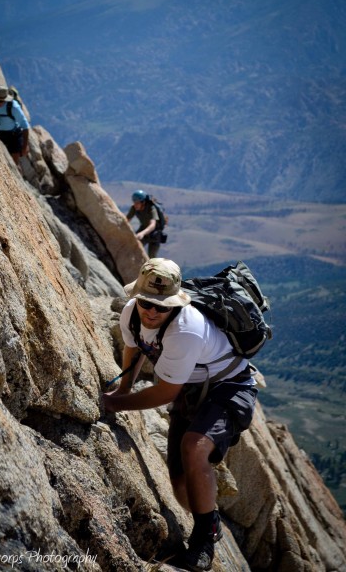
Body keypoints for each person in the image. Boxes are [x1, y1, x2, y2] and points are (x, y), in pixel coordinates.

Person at [103, 258, 258, 571]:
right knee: (180, 487)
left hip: (230, 386)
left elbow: (165, 393)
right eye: (147, 303)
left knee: (193, 446)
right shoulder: (132, 312)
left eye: (161, 307)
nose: (152, 312)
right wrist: (123, 390)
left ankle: (204, 536)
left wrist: (115, 404)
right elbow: (132, 349)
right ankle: (208, 509)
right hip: (192, 389)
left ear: (174, 304)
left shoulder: (185, 330)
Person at [0, 85, 30, 165]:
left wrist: (25, 146)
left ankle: (15, 172)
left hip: (13, 135)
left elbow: (25, 126)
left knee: (15, 155)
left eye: (1, 101)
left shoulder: (14, 107)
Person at [126, 190, 162, 258]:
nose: (135, 204)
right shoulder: (134, 208)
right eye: (134, 202)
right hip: (143, 229)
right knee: (133, 249)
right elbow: (126, 220)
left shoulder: (151, 208)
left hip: (155, 234)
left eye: (137, 203)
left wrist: (142, 233)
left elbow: (152, 225)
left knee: (152, 257)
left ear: (143, 202)